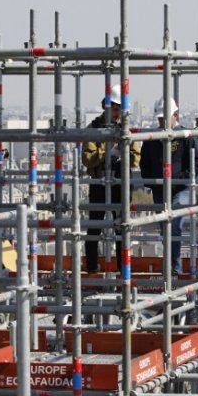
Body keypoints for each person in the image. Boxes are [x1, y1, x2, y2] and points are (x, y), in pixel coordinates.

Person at [81, 85, 140, 273]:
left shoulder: (126, 129)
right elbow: (87, 158)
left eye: (120, 111)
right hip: (99, 182)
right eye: (115, 110)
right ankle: (91, 269)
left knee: (122, 228)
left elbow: (135, 158)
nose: (117, 114)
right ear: (107, 107)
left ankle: (124, 271)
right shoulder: (93, 128)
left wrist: (121, 151)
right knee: (94, 228)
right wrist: (107, 151)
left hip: (121, 184)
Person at [140, 97, 198, 276]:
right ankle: (172, 266)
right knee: (166, 228)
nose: (161, 122)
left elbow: (195, 162)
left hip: (181, 188)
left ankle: (174, 268)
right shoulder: (152, 138)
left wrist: (182, 179)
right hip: (160, 189)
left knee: (174, 226)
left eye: (164, 118)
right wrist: (152, 182)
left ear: (175, 115)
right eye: (159, 119)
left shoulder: (185, 136)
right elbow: (145, 164)